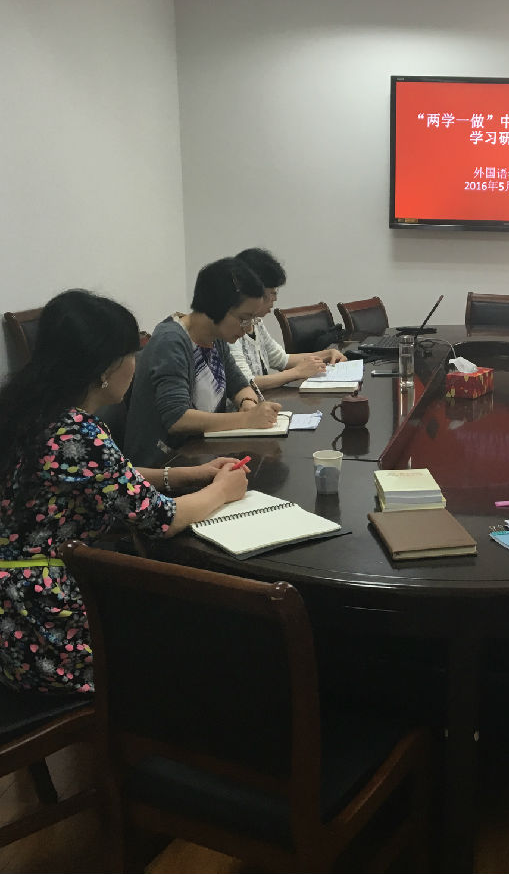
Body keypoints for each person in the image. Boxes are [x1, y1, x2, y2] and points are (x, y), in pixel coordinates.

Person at [0, 290, 249, 693]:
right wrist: (222, 489)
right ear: (105, 368)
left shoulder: (29, 410)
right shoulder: (80, 433)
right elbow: (162, 519)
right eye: (132, 354)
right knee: (207, 625)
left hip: (13, 613)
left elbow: (108, 478)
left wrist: (189, 475)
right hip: (49, 627)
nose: (136, 364)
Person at [125, 257, 283, 467]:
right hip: (164, 464)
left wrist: (248, 404)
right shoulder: (171, 341)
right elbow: (178, 419)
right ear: (217, 307)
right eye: (243, 318)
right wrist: (247, 419)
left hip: (202, 454)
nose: (247, 328)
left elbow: (239, 384)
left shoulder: (216, 338)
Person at [231, 247, 345, 389]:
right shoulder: (229, 330)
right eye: (272, 292)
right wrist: (297, 372)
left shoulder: (256, 323)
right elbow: (245, 382)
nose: (275, 298)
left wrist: (327, 354)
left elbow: (282, 359)